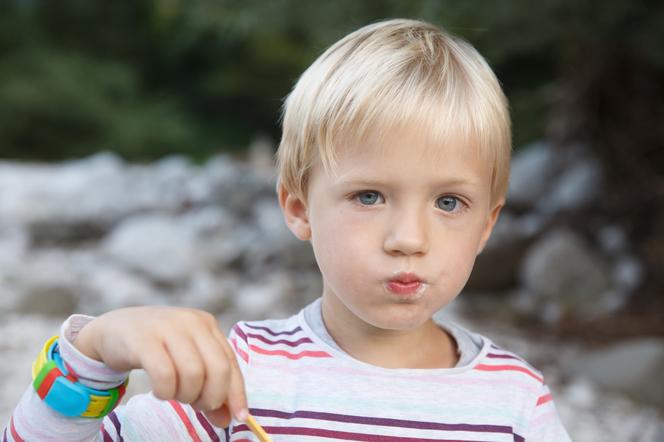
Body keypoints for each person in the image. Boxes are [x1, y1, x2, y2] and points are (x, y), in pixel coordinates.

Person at [4, 18, 571, 441]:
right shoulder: (237, 382)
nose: (409, 238)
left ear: (487, 224)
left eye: (449, 202)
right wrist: (95, 354)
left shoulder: (515, 403)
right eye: (368, 196)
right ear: (298, 208)